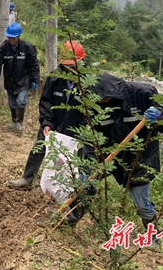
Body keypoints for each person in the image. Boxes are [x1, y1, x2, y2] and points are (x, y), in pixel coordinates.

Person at [8, 42, 128, 190]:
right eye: (66, 66)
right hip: (54, 123)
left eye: (72, 66)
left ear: (80, 61)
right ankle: (27, 179)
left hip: (76, 128)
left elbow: (100, 106)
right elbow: (46, 101)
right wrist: (46, 122)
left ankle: (70, 190)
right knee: (39, 146)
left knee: (75, 160)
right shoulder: (55, 78)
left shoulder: (91, 82)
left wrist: (87, 129)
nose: (69, 69)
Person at [113, 81, 163, 232]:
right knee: (88, 185)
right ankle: (69, 219)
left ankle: (152, 234)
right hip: (114, 154)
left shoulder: (143, 92)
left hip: (142, 157)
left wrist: (159, 117)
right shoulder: (99, 103)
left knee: (141, 203)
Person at [0, 22, 40, 132]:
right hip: (10, 80)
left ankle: (20, 122)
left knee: (21, 101)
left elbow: (34, 65)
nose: (10, 39)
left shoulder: (27, 48)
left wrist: (35, 79)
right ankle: (14, 121)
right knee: (12, 103)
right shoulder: (4, 48)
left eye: (13, 37)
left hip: (24, 80)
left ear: (18, 36)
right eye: (9, 37)